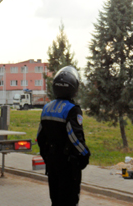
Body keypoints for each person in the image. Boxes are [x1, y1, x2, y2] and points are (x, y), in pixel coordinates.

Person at [37, 66, 90, 206]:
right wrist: (85, 154)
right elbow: (74, 136)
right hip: (68, 164)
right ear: (73, 87)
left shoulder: (47, 107)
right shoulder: (72, 109)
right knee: (69, 200)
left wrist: (46, 157)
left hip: (52, 163)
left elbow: (40, 137)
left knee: (55, 200)